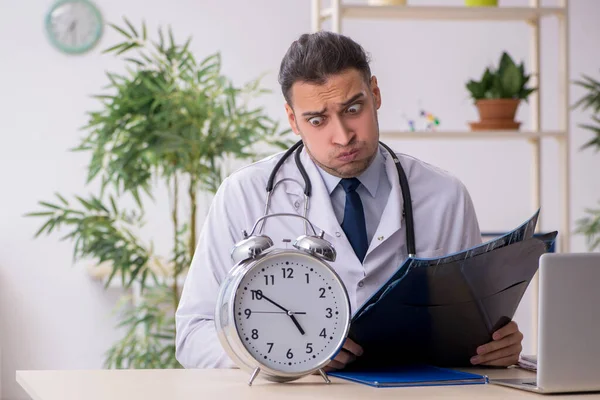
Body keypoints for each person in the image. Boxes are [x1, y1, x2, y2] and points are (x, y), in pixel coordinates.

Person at [175, 31, 524, 371]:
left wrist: (497, 346)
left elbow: (471, 325)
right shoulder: (245, 195)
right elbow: (193, 335)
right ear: (293, 120)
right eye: (317, 119)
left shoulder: (444, 197)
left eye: (353, 108)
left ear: (375, 94)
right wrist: (289, 356)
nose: (343, 136)